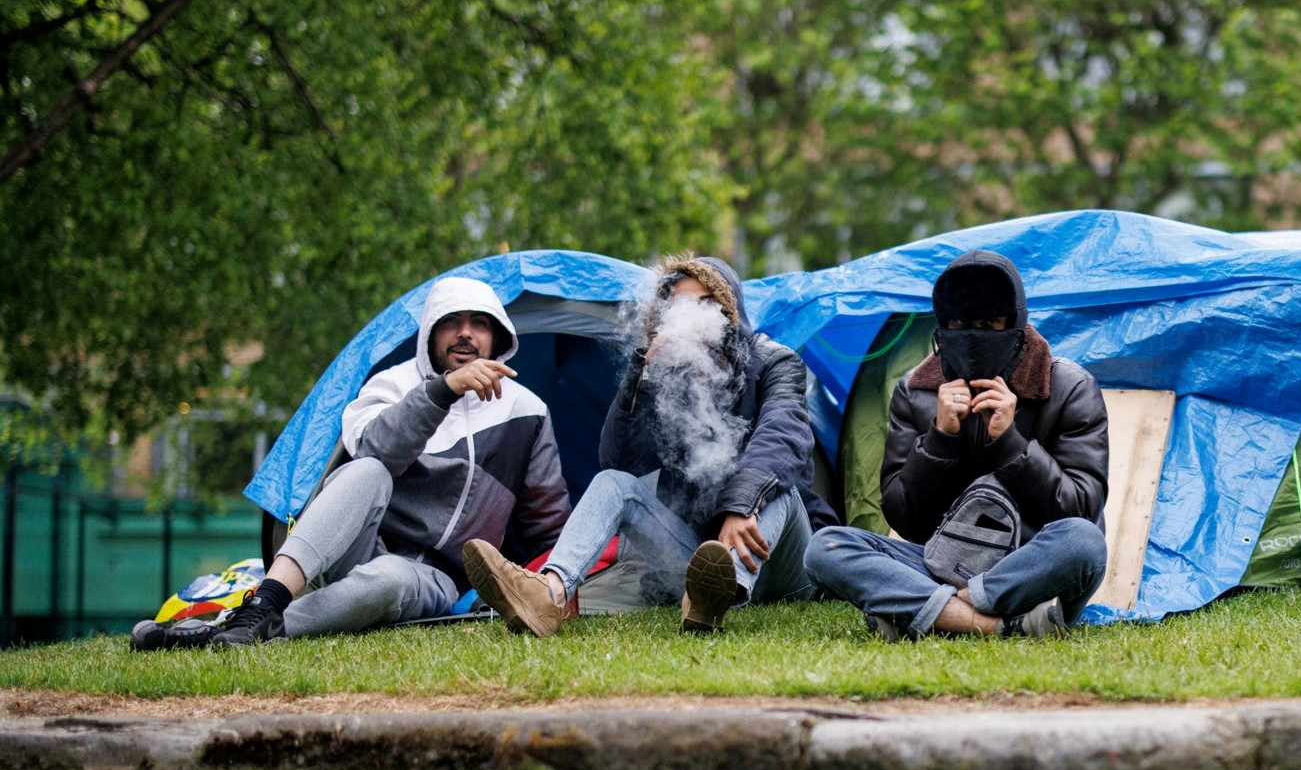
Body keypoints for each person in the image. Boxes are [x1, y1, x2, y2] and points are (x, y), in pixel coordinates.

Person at [131, 277, 570, 649]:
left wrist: (553, 586)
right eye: (451, 322)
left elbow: (546, 523)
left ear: (498, 336)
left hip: (434, 578)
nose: (465, 334)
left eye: (479, 323)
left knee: (390, 580)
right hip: (355, 547)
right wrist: (442, 391)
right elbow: (374, 452)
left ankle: (241, 633)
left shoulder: (526, 411)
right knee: (368, 470)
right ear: (430, 334)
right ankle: (265, 601)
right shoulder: (392, 384)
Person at [463, 255, 821, 635]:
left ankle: (725, 586)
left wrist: (743, 504)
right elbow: (618, 460)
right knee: (614, 483)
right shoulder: (667, 377)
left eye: (705, 304)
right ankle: (548, 593)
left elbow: (783, 437)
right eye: (680, 308)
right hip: (703, 565)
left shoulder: (775, 362)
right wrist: (645, 375)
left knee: (777, 491)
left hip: (781, 557)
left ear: (728, 310)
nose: (692, 318)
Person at [805, 249, 1109, 639]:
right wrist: (939, 439)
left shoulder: (1069, 387)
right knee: (826, 546)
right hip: (940, 561)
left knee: (1085, 542)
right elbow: (904, 519)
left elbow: (1081, 508)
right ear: (942, 327)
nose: (972, 336)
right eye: (959, 324)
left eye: (989, 324)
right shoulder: (915, 392)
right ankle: (996, 626)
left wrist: (1010, 442)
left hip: (1031, 564)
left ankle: (929, 610)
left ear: (1015, 326)